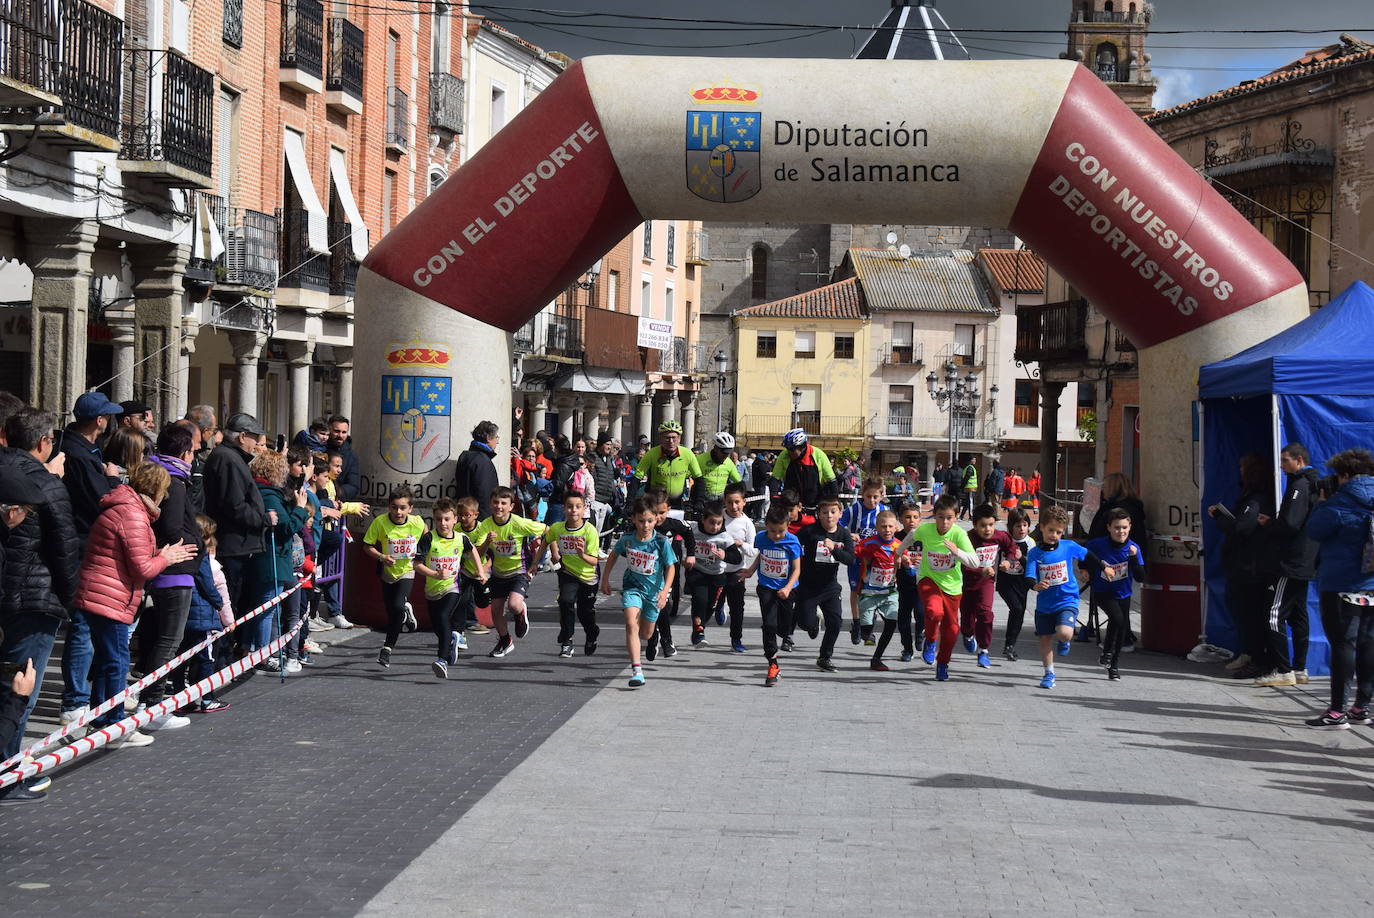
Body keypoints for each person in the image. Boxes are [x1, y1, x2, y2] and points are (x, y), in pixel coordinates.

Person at [76, 462, 196, 747]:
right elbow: (142, 568)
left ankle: (101, 719)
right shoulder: (132, 514)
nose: (164, 500)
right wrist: (165, 559)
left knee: (108, 661)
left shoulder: (128, 509)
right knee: (116, 662)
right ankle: (116, 725)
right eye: (164, 493)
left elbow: (131, 553)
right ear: (156, 491)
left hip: (103, 593)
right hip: (108, 596)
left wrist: (160, 552)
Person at [0, 407, 80, 782]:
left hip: (10, 593)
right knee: (22, 687)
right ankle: (10, 772)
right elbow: (64, 549)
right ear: (43, 442)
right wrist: (68, 598)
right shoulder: (47, 484)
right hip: (33, 596)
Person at [137, 423, 204, 728]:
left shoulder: (166, 477)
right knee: (169, 641)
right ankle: (152, 704)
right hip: (175, 572)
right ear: (184, 452)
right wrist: (194, 545)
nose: (196, 456)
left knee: (162, 639)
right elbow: (173, 528)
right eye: (193, 451)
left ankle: (149, 699)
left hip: (170, 570)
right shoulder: (175, 484)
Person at [1303, 448, 1374, 728]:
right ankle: (1361, 708)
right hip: (1372, 584)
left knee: (1344, 644)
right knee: (1369, 643)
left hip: (1342, 584)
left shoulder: (1340, 503)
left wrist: (1321, 503)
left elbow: (1314, 531)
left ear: (1344, 474)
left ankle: (1336, 711)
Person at [1254, 442, 1320, 687]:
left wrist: (1269, 524)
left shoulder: (1300, 486)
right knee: (1299, 614)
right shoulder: (1311, 484)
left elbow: (1291, 524)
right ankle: (1300, 668)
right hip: (1305, 560)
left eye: (1284, 460)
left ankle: (1283, 670)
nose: (1281, 466)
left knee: (1273, 614)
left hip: (1291, 562)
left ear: (1299, 460)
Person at [897, 495, 978, 681]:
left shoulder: (959, 534)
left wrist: (957, 552)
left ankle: (943, 664)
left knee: (951, 631)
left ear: (956, 517)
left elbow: (974, 562)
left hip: (952, 587)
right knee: (934, 612)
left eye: (949, 517)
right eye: (940, 517)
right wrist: (899, 552)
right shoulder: (925, 530)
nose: (944, 522)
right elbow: (910, 537)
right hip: (928, 579)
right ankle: (931, 640)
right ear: (934, 516)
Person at [1207, 454, 1274, 680]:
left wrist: (1219, 516)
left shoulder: (1256, 499)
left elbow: (1242, 528)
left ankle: (1257, 658)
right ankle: (1249, 653)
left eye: (1242, 467)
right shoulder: (1250, 497)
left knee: (1250, 613)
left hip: (1250, 567)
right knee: (1243, 612)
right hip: (1244, 565)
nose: (1240, 471)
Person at [600, 495, 676, 688]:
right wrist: (605, 579)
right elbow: (613, 555)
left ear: (656, 521)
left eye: (650, 521)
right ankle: (637, 671)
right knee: (630, 623)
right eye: (641, 521)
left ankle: (654, 637)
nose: (645, 525)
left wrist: (665, 590)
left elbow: (671, 567)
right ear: (633, 519)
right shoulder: (627, 540)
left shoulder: (660, 542)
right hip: (632, 588)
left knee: (646, 634)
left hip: (654, 593)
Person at [1024, 506, 1104, 689]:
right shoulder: (1035, 553)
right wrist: (1035, 585)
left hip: (1067, 599)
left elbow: (1088, 555)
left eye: (1059, 532)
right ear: (1042, 527)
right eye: (1051, 530)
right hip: (1045, 604)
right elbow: (1029, 575)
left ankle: (1064, 640)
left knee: (1064, 633)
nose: (1054, 535)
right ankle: (1049, 673)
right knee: (1045, 638)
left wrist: (1102, 566)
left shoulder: (1068, 547)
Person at [247, 449, 310, 671]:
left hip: (270, 558)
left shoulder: (265, 491)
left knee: (265, 609)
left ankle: (258, 650)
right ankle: (263, 654)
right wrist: (301, 510)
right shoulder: (269, 495)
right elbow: (286, 528)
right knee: (267, 610)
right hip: (272, 559)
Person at [203, 413, 270, 619]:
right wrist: (263, 520)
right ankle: (225, 649)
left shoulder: (230, 457)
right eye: (254, 438)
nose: (256, 444)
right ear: (242, 436)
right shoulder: (228, 459)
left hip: (236, 543)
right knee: (230, 599)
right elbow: (234, 505)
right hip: (232, 544)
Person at [414, 498, 486, 679]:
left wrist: (480, 571)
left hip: (452, 587)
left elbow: (473, 551)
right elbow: (416, 564)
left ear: (455, 520)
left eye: (447, 519)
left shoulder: (461, 538)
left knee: (443, 616)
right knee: (439, 626)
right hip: (432, 590)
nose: (443, 523)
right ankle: (452, 640)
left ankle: (441, 660)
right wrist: (434, 574)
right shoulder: (429, 538)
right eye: (439, 519)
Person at [472, 486, 546, 658]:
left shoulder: (519, 523)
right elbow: (478, 553)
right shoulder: (486, 525)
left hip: (519, 571)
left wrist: (539, 560)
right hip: (498, 573)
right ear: (490, 504)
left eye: (503, 503)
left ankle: (520, 612)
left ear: (511, 506)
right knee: (496, 610)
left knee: (513, 604)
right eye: (495, 502)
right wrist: (486, 542)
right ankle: (505, 640)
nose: (499, 506)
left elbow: (547, 531)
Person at [171, 514, 233, 714]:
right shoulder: (201, 555)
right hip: (203, 616)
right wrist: (218, 602)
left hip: (185, 613)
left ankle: (180, 696)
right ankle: (207, 698)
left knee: (181, 658)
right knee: (206, 659)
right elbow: (208, 583)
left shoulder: (182, 552)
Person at [362, 485, 428, 668]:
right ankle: (405, 610)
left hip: (407, 571)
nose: (398, 512)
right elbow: (367, 546)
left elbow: (427, 536)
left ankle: (387, 649)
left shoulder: (416, 522)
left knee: (397, 607)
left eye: (402, 508)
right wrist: (382, 556)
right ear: (389, 507)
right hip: (387, 573)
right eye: (394, 507)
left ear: (410, 509)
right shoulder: (381, 522)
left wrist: (421, 555)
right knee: (392, 614)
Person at [794, 496, 856, 672]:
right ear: (818, 514)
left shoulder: (843, 534)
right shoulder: (809, 531)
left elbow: (851, 559)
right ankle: (813, 622)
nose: (829, 516)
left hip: (830, 586)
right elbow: (793, 545)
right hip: (808, 585)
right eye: (825, 512)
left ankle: (825, 657)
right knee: (805, 624)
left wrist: (835, 549)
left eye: (833, 512)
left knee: (836, 622)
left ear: (840, 514)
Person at [744, 505, 802, 687]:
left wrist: (787, 588)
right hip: (766, 587)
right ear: (766, 525)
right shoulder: (761, 538)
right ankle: (773, 663)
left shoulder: (792, 542)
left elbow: (797, 569)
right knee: (769, 625)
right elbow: (762, 555)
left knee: (783, 630)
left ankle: (797, 622)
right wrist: (751, 570)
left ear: (788, 525)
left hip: (787, 589)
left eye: (781, 531)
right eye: (772, 531)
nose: (776, 535)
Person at [1085, 508, 1145, 680]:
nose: (1121, 531)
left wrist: (1133, 558)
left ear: (1130, 527)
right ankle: (1107, 652)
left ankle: (1113, 664)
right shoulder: (1098, 544)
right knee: (1118, 619)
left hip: (1123, 593)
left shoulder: (1134, 548)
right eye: (1117, 527)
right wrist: (1084, 569)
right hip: (1102, 591)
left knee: (1120, 625)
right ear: (1109, 528)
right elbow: (1084, 554)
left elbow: (1141, 577)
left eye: (1125, 527)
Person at [541, 491, 602, 658]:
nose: (573, 510)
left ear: (584, 510)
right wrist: (536, 562)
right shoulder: (558, 527)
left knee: (584, 612)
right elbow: (546, 539)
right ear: (564, 509)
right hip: (568, 572)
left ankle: (592, 633)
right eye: (569, 506)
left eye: (577, 507)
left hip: (588, 575)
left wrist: (582, 554)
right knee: (565, 601)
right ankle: (567, 640)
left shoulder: (589, 531)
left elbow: (594, 561)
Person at [961, 503, 1020, 669]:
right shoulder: (967, 538)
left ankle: (984, 650)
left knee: (986, 614)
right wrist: (980, 570)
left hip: (986, 582)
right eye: (983, 526)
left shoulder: (1000, 536)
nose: (987, 529)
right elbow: (962, 562)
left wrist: (1008, 561)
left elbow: (1011, 547)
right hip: (965, 583)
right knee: (967, 619)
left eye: (991, 525)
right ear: (974, 525)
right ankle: (967, 634)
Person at [686, 500, 741, 647]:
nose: (715, 527)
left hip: (716, 576)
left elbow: (737, 558)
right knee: (700, 599)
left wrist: (725, 555)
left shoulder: (724, 537)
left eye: (718, 523)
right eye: (711, 523)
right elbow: (677, 526)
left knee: (710, 606)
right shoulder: (693, 528)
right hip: (697, 572)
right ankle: (698, 632)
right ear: (703, 519)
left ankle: (700, 627)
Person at [841, 479, 889, 646]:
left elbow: (892, 530)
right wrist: (849, 535)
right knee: (856, 591)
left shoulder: (884, 511)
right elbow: (838, 528)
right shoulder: (853, 510)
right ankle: (856, 623)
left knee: (872, 592)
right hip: (856, 558)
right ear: (862, 495)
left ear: (881, 496)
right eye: (869, 496)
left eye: (876, 497)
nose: (872, 500)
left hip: (877, 560)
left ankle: (867, 627)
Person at [855, 510, 904, 672]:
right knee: (866, 631)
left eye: (890, 526)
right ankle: (865, 629)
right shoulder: (868, 544)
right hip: (869, 593)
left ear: (896, 527)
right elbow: (854, 553)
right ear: (876, 527)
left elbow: (907, 561)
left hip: (889, 593)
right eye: (883, 526)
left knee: (891, 623)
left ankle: (877, 658)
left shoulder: (899, 545)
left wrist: (909, 562)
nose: (887, 530)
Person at [647, 488, 693, 659]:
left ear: (668, 510)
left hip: (668, 571)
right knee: (650, 609)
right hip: (647, 574)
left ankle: (667, 640)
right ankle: (652, 639)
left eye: (661, 513)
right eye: (654, 513)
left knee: (662, 606)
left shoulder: (673, 524)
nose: (657, 518)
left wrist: (691, 554)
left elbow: (688, 532)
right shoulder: (643, 525)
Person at [718, 482, 757, 653]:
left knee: (737, 608)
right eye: (729, 502)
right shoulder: (719, 518)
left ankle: (736, 639)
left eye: (737, 502)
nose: (733, 506)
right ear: (724, 502)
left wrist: (741, 544)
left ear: (744, 502)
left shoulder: (747, 523)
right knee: (708, 603)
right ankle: (718, 607)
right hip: (716, 570)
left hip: (737, 571)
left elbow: (753, 550)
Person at [997, 509, 1036, 661]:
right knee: (1017, 608)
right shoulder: (1005, 540)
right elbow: (995, 556)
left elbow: (1032, 566)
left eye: (1025, 525)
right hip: (1005, 581)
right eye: (1018, 526)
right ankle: (1009, 645)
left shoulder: (1030, 543)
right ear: (1011, 527)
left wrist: (1022, 559)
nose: (1021, 529)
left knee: (1019, 613)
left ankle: (1010, 645)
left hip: (1021, 582)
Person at [636, 420, 702, 509]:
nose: (671, 441)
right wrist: (630, 502)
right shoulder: (651, 454)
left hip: (677, 502)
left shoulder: (687, 454)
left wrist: (699, 501)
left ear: (679, 439)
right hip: (656, 502)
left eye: (674, 437)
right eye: (667, 437)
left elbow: (699, 480)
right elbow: (636, 478)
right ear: (661, 439)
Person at [770, 429, 837, 512]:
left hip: (815, 503)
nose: (788, 452)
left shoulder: (818, 455)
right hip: (792, 504)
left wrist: (833, 503)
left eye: (791, 450)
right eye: (787, 449)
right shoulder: (784, 455)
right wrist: (774, 497)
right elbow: (775, 479)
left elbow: (832, 481)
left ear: (802, 447)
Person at [894, 503, 925, 663]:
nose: (911, 520)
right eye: (907, 517)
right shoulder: (896, 538)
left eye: (915, 517)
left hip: (921, 583)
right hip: (903, 584)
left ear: (920, 519)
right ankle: (907, 648)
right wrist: (899, 559)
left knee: (921, 614)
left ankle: (920, 633)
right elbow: (890, 557)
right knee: (903, 618)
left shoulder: (924, 537)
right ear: (900, 519)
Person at [454, 420, 501, 520]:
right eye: (496, 437)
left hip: (465, 515)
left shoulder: (467, 457)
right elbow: (485, 495)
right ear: (488, 438)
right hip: (478, 520)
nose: (498, 441)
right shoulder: (482, 461)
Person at [694, 432, 742, 505]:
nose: (726, 455)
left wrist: (743, 493)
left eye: (728, 453)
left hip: (721, 500)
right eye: (724, 452)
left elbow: (739, 481)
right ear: (716, 448)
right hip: (703, 500)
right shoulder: (700, 459)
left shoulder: (729, 463)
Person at [589, 433, 622, 534]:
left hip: (605, 500)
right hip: (595, 499)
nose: (609, 447)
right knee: (592, 530)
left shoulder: (608, 459)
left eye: (610, 445)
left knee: (598, 532)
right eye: (607, 444)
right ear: (600, 445)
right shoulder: (593, 457)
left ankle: (596, 548)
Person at [325, 416, 360, 501]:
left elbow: (353, 485)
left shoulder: (351, 457)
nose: (340, 435)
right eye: (336, 431)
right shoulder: (320, 449)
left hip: (339, 502)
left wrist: (334, 494)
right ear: (329, 430)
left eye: (344, 432)